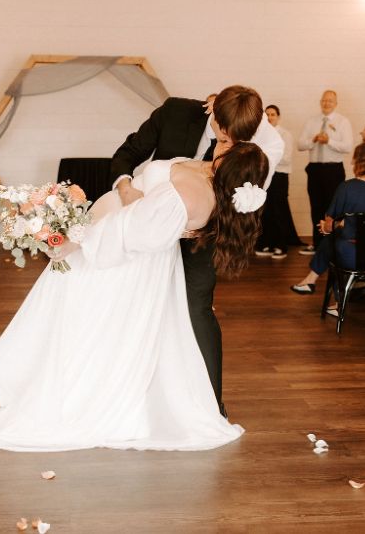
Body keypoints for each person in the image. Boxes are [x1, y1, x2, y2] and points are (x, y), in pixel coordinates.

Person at [0, 142, 270, 450]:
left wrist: (76, 242)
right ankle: (21, 371)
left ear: (228, 165)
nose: (218, 151)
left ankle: (58, 389)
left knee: (86, 320)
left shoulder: (193, 193)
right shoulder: (212, 193)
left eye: (225, 152)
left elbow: (133, 232)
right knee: (102, 326)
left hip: (128, 266)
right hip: (146, 265)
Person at [108, 85, 284, 415]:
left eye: (236, 141)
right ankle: (133, 392)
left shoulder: (260, 140)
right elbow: (128, 153)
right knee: (135, 304)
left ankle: (211, 404)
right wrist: (126, 188)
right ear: (213, 111)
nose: (227, 145)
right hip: (145, 224)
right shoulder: (176, 112)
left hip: (201, 235)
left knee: (197, 307)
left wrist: (206, 221)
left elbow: (245, 201)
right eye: (224, 135)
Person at [290, 142, 365, 300]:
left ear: (360, 161)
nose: (351, 162)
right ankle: (326, 291)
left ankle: (323, 290)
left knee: (332, 238)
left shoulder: (348, 187)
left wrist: (326, 228)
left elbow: (329, 222)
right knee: (339, 236)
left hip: (353, 256)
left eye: (354, 159)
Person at [296, 89, 353, 253]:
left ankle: (333, 243)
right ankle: (317, 243)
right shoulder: (311, 122)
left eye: (330, 101)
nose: (326, 103)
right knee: (316, 207)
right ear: (320, 102)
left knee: (333, 208)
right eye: (324, 100)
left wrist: (329, 141)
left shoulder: (343, 122)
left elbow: (347, 146)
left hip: (333, 170)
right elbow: (300, 144)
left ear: (336, 103)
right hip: (315, 169)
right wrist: (313, 140)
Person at [255, 104, 302, 259]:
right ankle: (267, 243)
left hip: (280, 176)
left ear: (278, 116)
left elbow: (286, 157)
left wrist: (265, 157)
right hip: (265, 175)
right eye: (267, 114)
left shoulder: (285, 134)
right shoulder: (260, 135)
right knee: (266, 211)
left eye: (273, 114)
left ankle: (281, 245)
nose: (269, 117)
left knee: (279, 211)